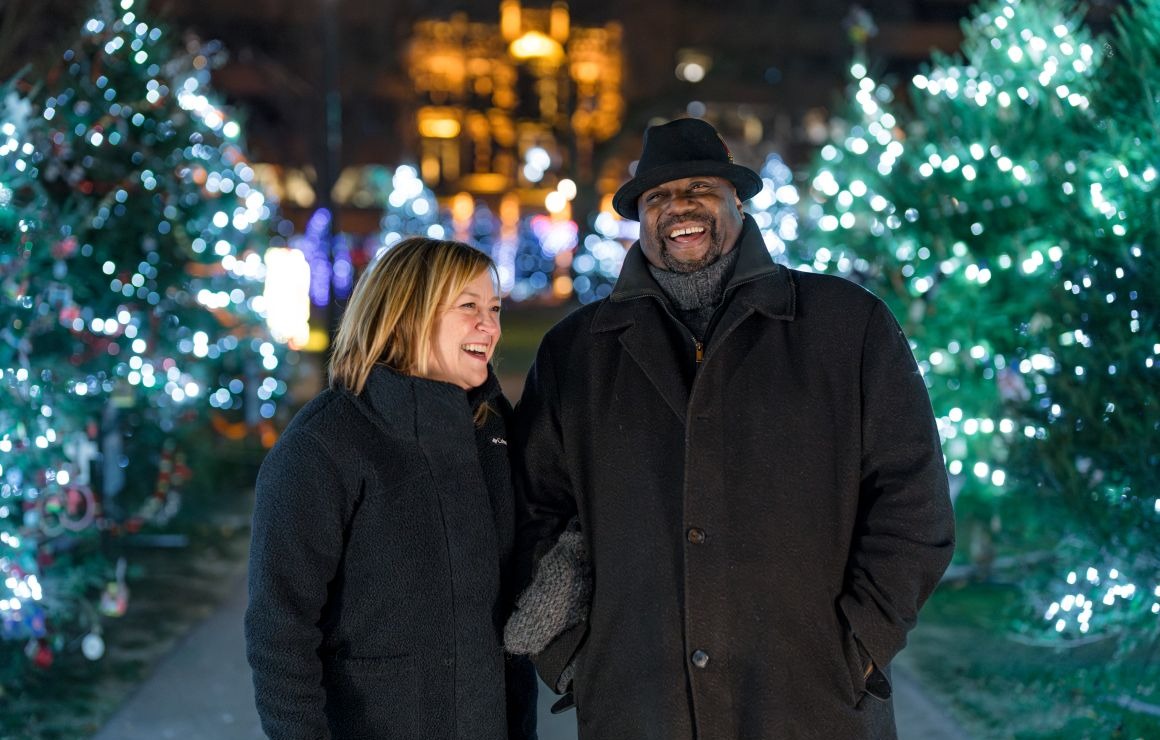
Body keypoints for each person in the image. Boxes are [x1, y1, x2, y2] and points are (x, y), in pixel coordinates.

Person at [507, 117, 956, 738]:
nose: (678, 208)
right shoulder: (575, 355)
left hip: (811, 703)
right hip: (637, 707)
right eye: (658, 196)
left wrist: (862, 643)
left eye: (700, 189)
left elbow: (914, 503)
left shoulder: (847, 328)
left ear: (736, 201)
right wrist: (574, 658)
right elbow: (533, 512)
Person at [246, 237, 537, 740]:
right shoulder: (327, 442)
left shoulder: (491, 430)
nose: (489, 327)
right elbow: (280, 630)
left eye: (493, 309)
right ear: (404, 314)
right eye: (469, 307)